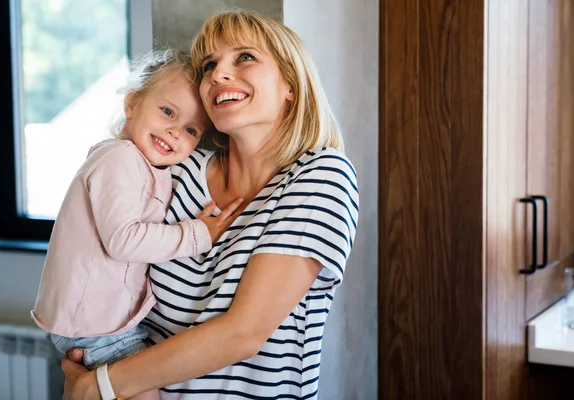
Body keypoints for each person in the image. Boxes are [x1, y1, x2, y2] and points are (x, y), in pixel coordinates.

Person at [61, 10, 359, 399]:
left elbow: (243, 334)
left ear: (291, 83)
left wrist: (99, 386)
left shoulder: (321, 175)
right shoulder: (177, 172)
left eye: (245, 57)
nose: (218, 74)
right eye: (209, 65)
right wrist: (86, 358)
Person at [31, 48, 242, 400]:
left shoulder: (148, 166)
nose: (174, 132)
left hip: (100, 323)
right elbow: (123, 240)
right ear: (132, 104)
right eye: (167, 112)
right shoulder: (119, 158)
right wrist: (198, 234)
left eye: (190, 129)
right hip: (96, 327)